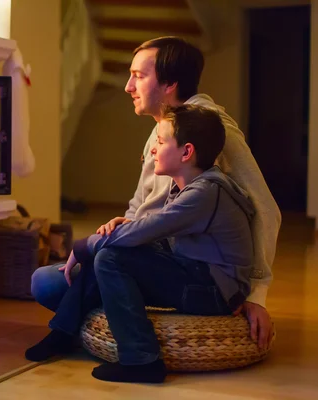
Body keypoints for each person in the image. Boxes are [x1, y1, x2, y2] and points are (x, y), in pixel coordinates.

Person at [31, 36, 281, 350]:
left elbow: (267, 210)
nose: (127, 87)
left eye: (138, 76)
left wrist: (257, 296)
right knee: (46, 280)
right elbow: (141, 204)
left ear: (169, 84)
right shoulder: (162, 129)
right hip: (150, 251)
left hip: (188, 269)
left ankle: (119, 335)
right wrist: (123, 224)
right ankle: (92, 321)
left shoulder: (215, 131)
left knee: (55, 282)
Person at [25, 104, 255, 383]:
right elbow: (153, 230)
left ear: (186, 152)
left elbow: (154, 227)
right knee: (114, 250)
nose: (153, 149)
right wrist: (125, 228)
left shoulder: (205, 192)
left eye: (160, 141)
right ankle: (63, 332)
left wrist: (83, 246)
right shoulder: (191, 186)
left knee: (109, 257)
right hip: (195, 273)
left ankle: (141, 359)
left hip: (215, 291)